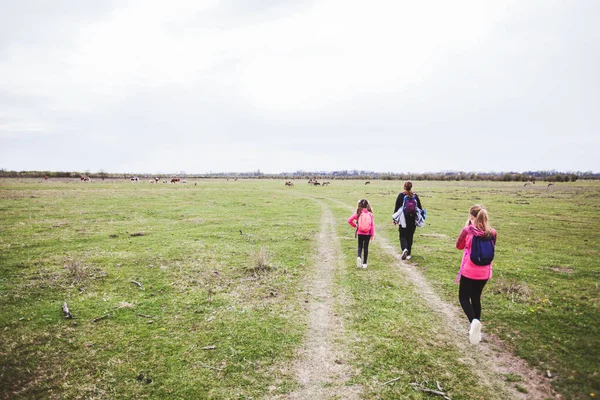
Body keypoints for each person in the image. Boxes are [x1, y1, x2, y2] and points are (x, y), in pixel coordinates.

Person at [455, 204, 497, 345]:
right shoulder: (492, 233)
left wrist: (467, 227)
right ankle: (476, 330)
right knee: (476, 297)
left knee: (464, 298)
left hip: (469, 271)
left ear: (472, 217)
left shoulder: (468, 231)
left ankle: (473, 322)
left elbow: (459, 246)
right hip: (484, 273)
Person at [393, 181, 423, 260]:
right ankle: (409, 253)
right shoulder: (415, 196)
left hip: (403, 219)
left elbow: (396, 208)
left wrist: (395, 219)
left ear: (404, 187)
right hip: (412, 219)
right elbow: (420, 208)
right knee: (410, 236)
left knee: (402, 235)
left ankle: (404, 249)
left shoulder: (401, 196)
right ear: (411, 187)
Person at [347, 199, 375, 269]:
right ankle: (365, 263)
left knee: (360, 246)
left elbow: (349, 220)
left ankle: (359, 256)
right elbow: (372, 226)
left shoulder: (358, 214)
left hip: (360, 232)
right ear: (367, 205)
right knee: (366, 247)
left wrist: (355, 226)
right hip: (367, 233)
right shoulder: (370, 214)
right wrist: (372, 235)